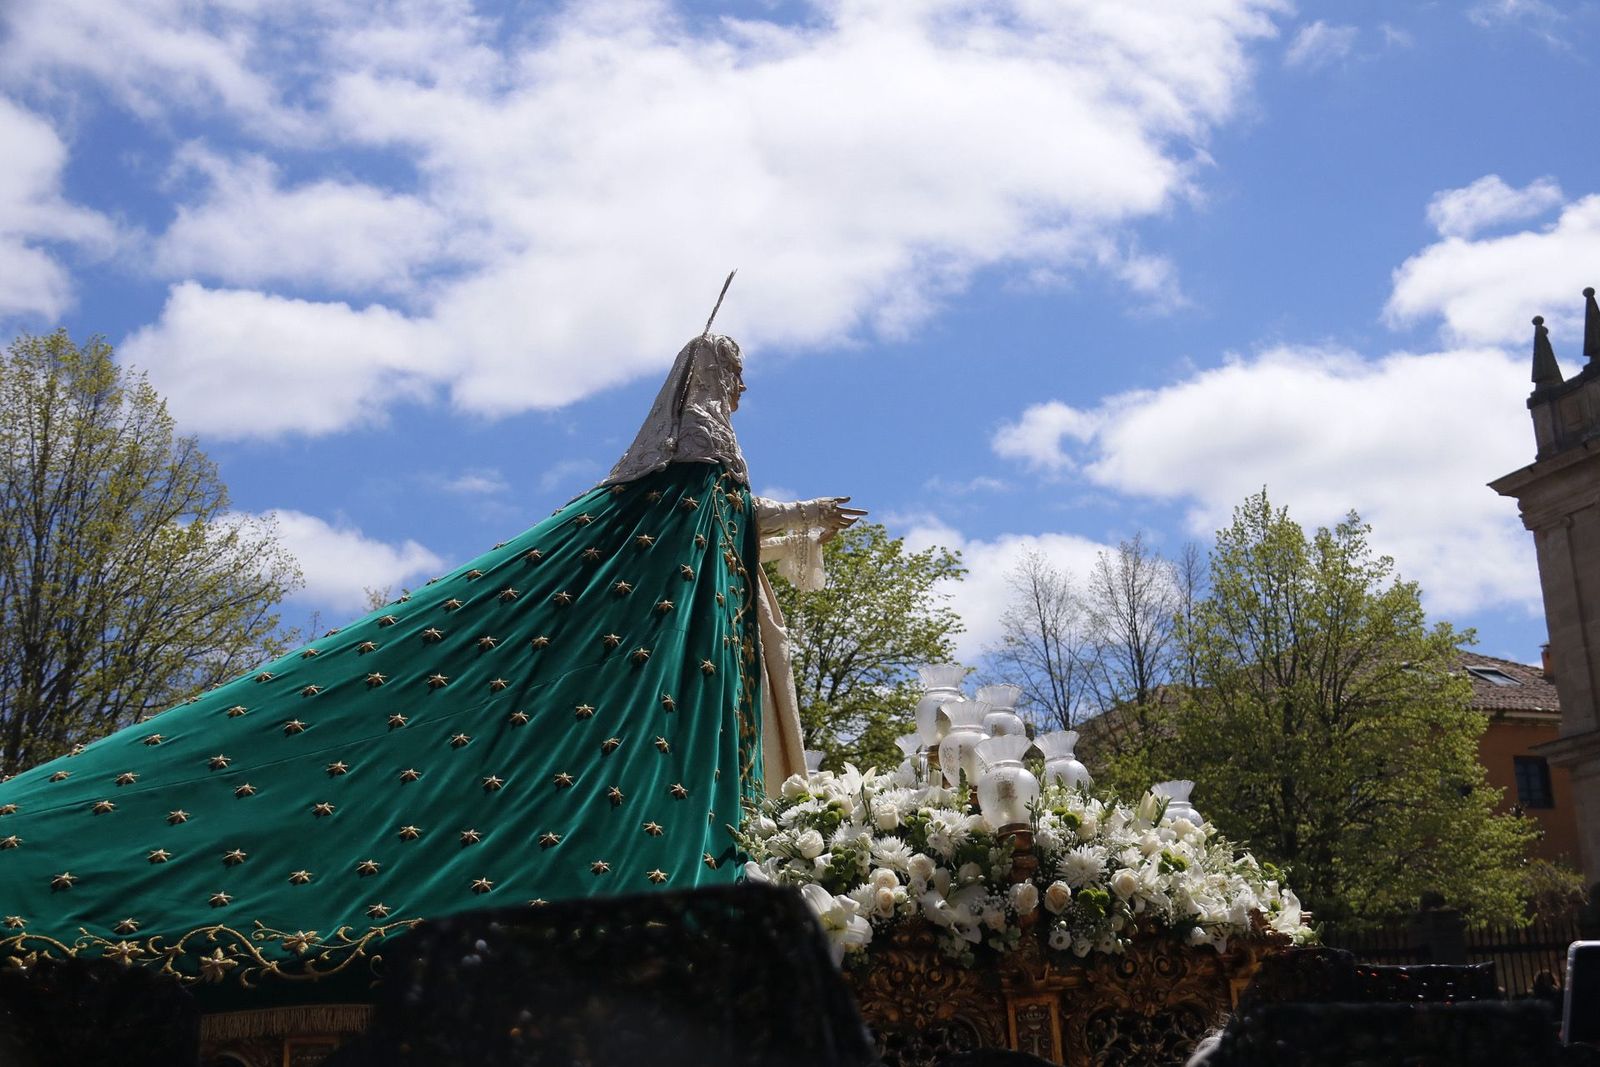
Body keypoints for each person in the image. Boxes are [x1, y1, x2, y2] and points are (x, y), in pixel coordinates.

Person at [0, 331, 859, 987]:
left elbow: (727, 525)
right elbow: (702, 519)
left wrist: (805, 517)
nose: (741, 387)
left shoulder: (707, 470)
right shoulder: (695, 459)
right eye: (733, 372)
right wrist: (790, 519)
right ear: (706, 376)